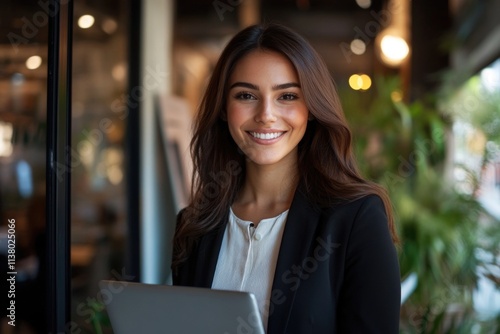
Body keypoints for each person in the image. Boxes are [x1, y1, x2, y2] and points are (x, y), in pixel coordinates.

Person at [172, 23, 400, 333]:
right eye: (246, 95)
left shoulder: (356, 217)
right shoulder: (194, 224)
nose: (266, 114)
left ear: (312, 108)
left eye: (287, 96)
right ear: (224, 108)